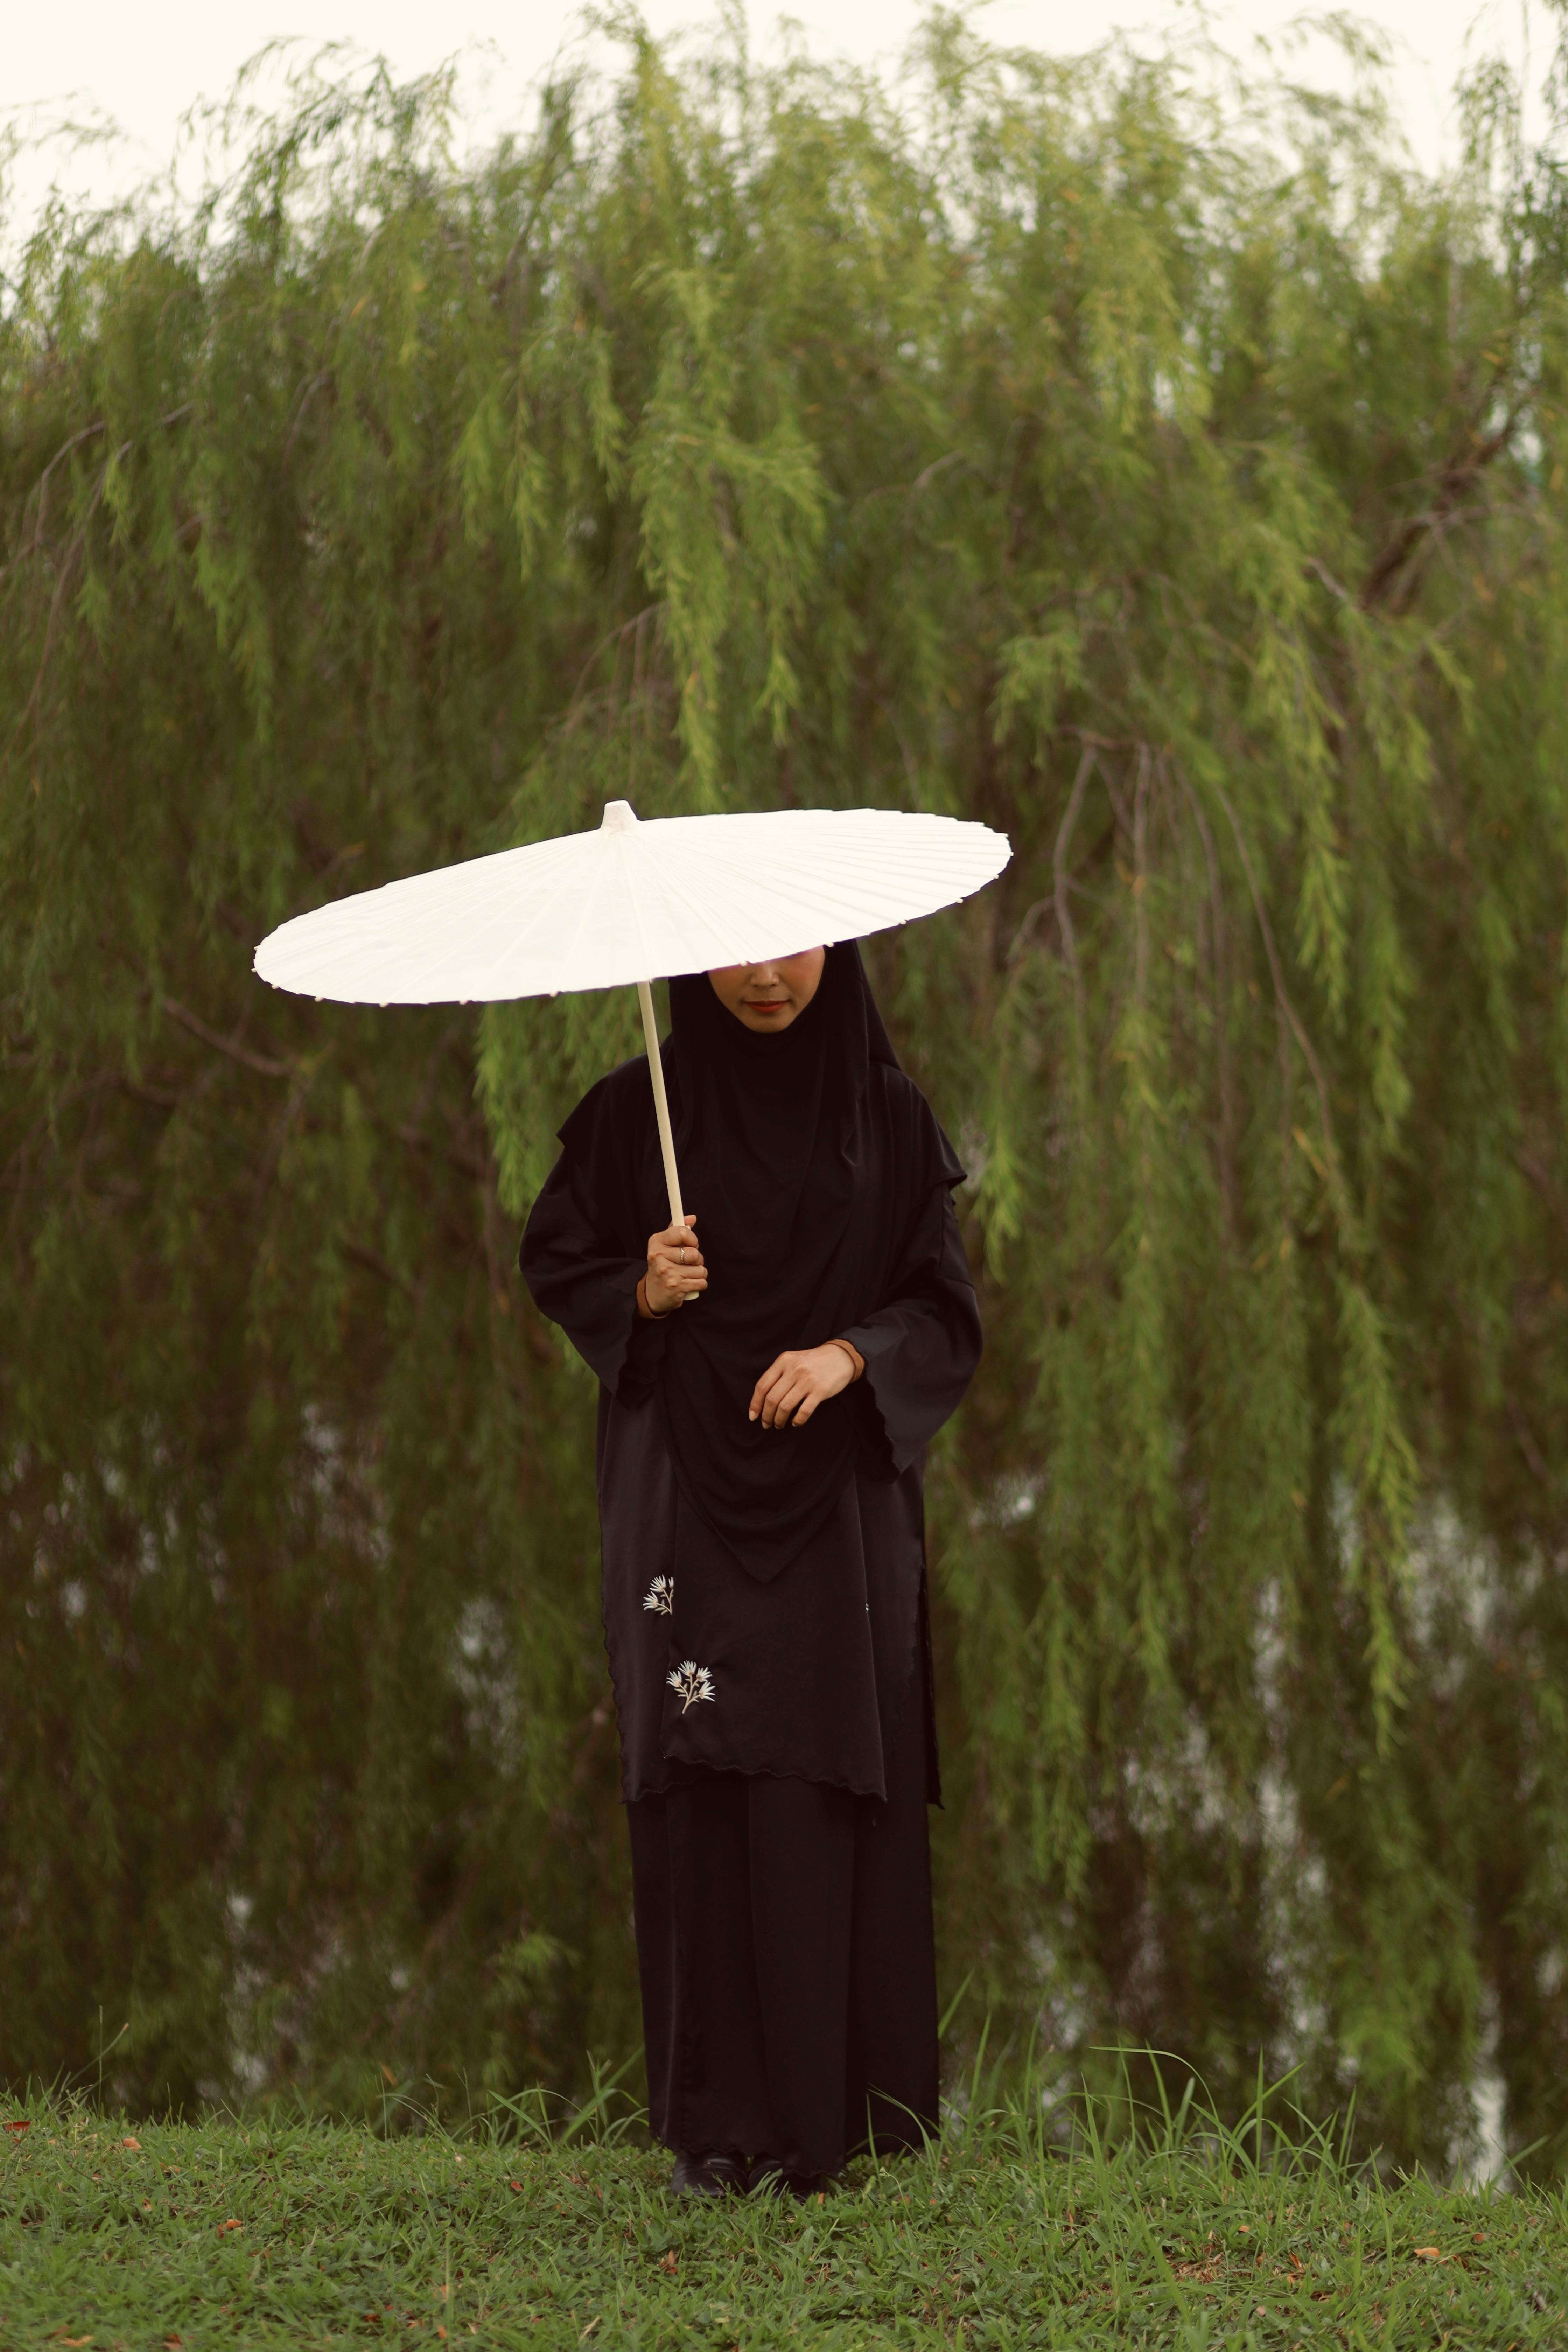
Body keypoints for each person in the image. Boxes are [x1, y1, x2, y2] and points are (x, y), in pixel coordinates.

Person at [520, 940, 981, 2198]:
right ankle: (715, 2135)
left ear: (837, 947)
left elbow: (946, 1309)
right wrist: (643, 1290)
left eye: (791, 949)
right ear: (688, 960)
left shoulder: (886, 1118)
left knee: (821, 1778)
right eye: (732, 955)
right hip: (683, 1503)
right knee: (703, 1779)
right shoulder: (635, 1113)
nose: (764, 977)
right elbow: (557, 1261)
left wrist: (849, 1354)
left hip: (835, 1509)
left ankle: (840, 2123)